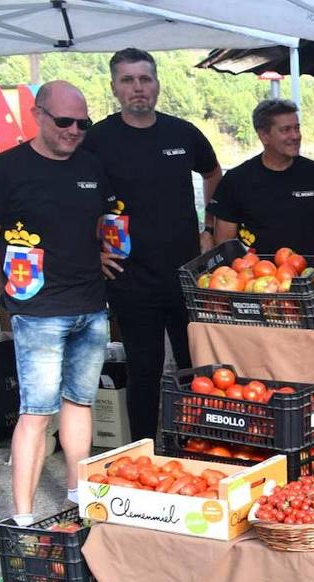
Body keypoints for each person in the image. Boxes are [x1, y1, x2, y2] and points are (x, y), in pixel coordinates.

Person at [0, 81, 116, 518]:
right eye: (64, 121)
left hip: (90, 306)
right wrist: (11, 288)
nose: (74, 130)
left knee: (80, 402)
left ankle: (77, 495)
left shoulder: (91, 166)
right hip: (40, 312)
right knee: (35, 412)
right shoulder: (4, 170)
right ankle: (24, 516)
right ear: (38, 115)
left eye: (82, 123)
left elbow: (97, 224)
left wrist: (104, 250)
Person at [82, 48, 222, 442]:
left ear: (157, 83)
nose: (138, 88)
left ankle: (200, 443)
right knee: (145, 369)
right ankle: (145, 448)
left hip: (184, 272)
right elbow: (78, 196)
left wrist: (208, 226)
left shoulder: (182, 133)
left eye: (144, 79)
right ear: (115, 87)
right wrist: (94, 247)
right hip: (130, 274)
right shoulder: (98, 139)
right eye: (128, 80)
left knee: (195, 366)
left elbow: (213, 173)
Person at [210, 99, 314, 256]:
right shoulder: (236, 180)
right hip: (256, 277)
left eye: (297, 128)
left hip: (310, 276)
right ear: (264, 135)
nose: (295, 136)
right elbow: (224, 245)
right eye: (286, 130)